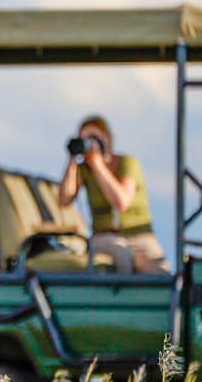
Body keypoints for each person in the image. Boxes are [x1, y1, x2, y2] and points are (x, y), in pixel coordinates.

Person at [59, 115, 169, 274]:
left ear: (107, 138)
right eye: (85, 139)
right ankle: (123, 297)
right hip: (103, 237)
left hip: (139, 235)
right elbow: (64, 199)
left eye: (94, 138)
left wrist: (98, 165)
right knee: (121, 254)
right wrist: (72, 160)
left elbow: (121, 202)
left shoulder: (127, 163)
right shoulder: (84, 170)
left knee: (160, 272)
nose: (90, 142)